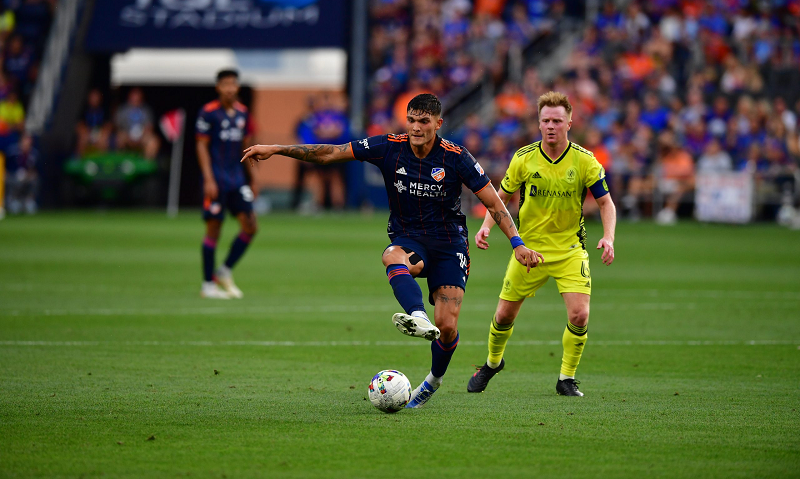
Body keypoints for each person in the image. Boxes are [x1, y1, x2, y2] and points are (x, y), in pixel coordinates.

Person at [242, 93, 543, 408]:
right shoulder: (389, 146)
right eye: (411, 120)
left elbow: (493, 202)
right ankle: (417, 315)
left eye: (423, 122)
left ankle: (434, 380)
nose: (415, 127)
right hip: (409, 237)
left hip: (449, 243)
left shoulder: (456, 157)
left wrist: (517, 243)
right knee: (391, 255)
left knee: (448, 326)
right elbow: (330, 153)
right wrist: (277, 149)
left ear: (438, 124)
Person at [467, 91, 617, 397]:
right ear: (538, 123)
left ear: (570, 123)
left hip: (569, 250)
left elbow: (606, 203)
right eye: (546, 120)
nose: (551, 126)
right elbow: (500, 197)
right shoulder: (523, 158)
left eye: (557, 121)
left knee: (580, 315)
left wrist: (608, 237)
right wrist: (485, 227)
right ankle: (492, 363)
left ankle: (566, 379)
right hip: (527, 249)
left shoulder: (585, 161)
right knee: (503, 316)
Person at [196, 69, 258, 299]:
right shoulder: (208, 113)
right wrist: (209, 179)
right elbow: (201, 146)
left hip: (237, 179)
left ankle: (224, 270)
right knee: (214, 228)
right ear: (218, 87)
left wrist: (254, 179)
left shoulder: (243, 113)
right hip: (216, 179)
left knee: (251, 226)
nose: (230, 88)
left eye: (233, 83)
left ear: (238, 87)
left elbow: (248, 147)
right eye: (225, 84)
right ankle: (207, 285)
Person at [115, 88, 160, 160]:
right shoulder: (123, 110)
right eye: (134, 97)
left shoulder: (146, 110)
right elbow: (118, 126)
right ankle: (121, 161)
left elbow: (149, 127)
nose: (135, 100)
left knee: (154, 141)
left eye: (138, 98)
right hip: (127, 135)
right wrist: (128, 137)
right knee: (119, 137)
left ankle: (146, 161)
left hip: (142, 136)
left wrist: (141, 137)